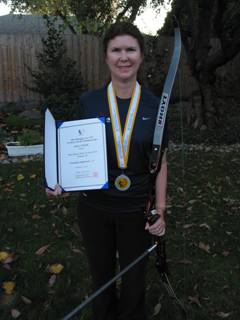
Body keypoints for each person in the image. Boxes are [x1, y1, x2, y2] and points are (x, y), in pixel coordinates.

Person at [46, 21, 168, 320]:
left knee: (134, 277)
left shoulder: (156, 106)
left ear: (141, 55)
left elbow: (161, 160)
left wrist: (161, 210)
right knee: (101, 274)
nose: (123, 57)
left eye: (130, 49)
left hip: (137, 207)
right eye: (116, 50)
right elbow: (74, 149)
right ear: (106, 57)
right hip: (94, 206)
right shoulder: (89, 102)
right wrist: (59, 180)